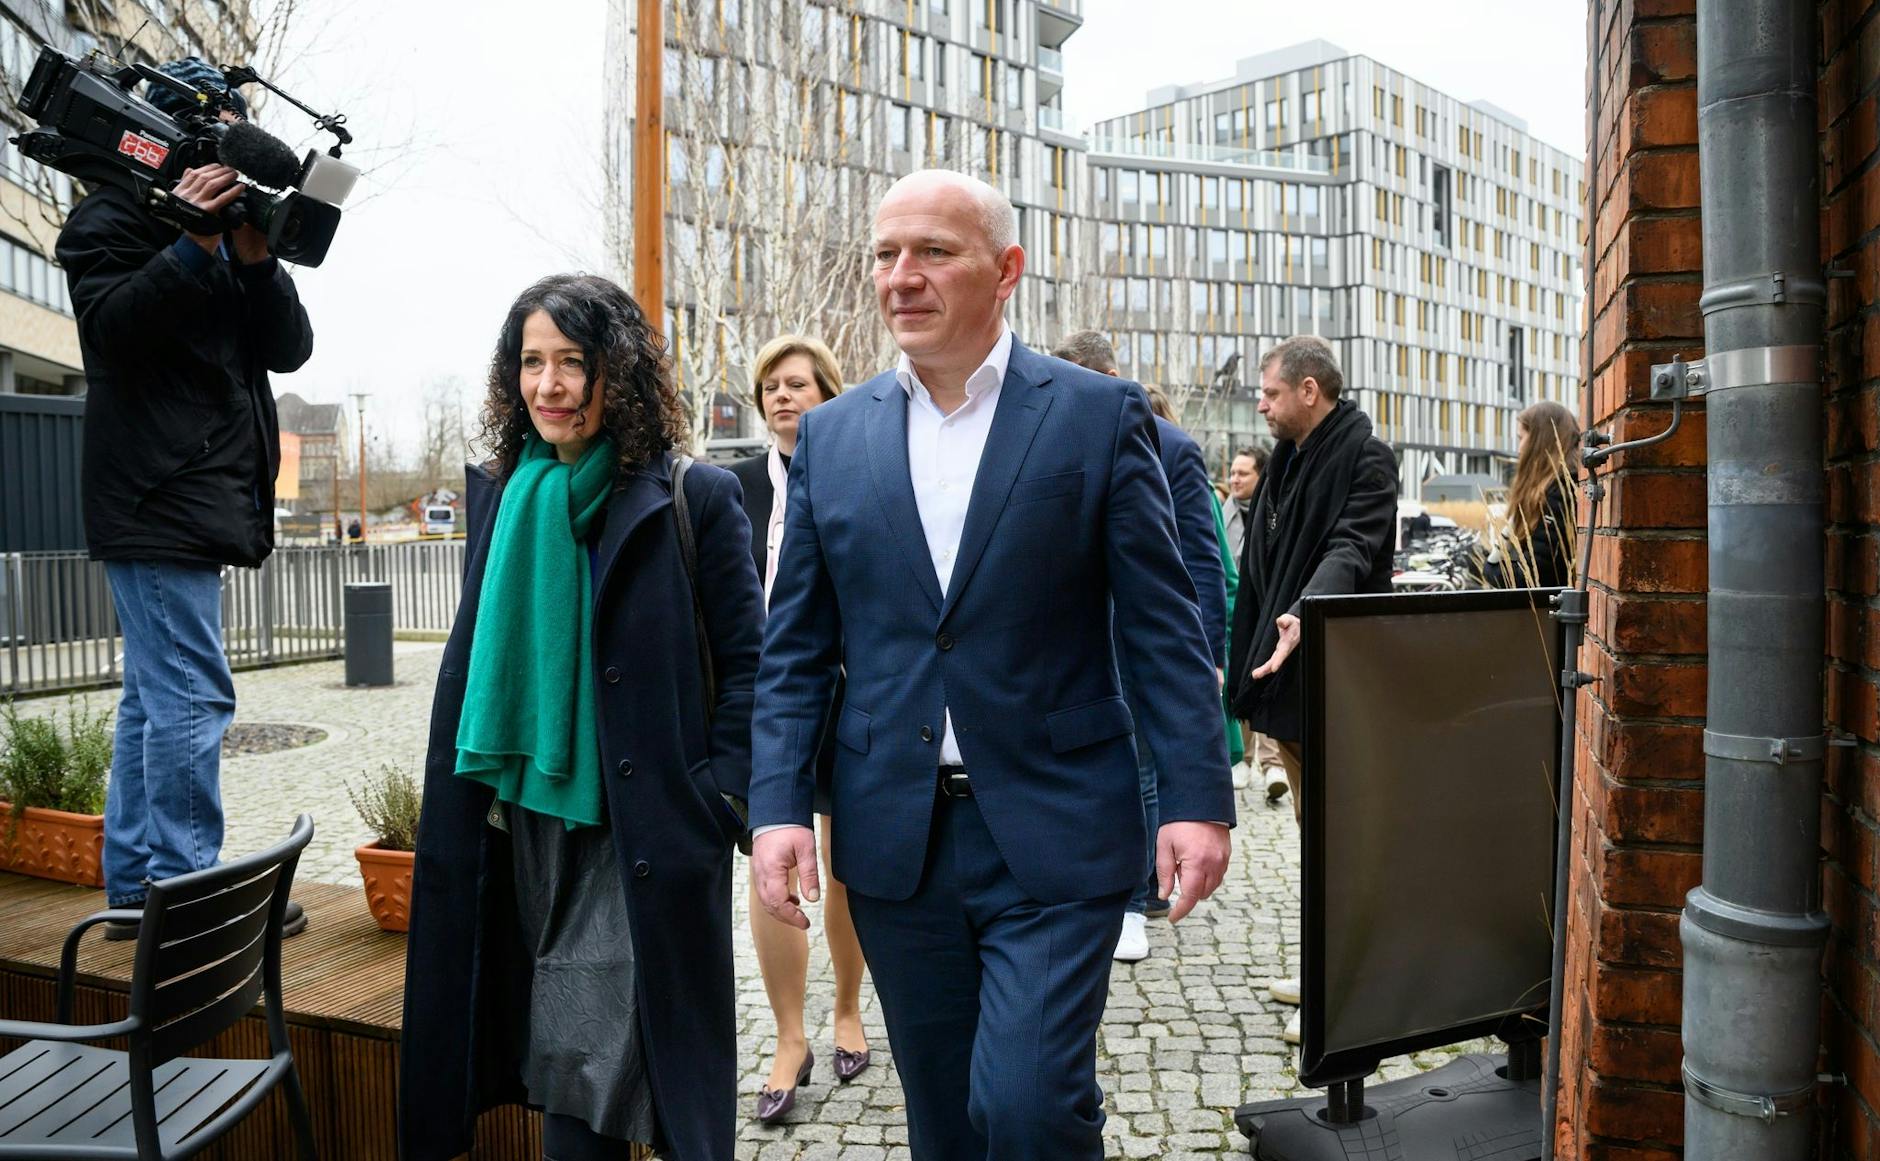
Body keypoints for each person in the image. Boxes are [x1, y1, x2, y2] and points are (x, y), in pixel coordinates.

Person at [748, 170, 1234, 1160]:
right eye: (885, 254)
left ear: (1004, 269)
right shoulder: (832, 440)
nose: (901, 277)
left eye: (932, 251)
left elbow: (1160, 626)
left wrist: (1195, 796)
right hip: (896, 841)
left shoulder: (1095, 418)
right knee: (944, 1119)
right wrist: (775, 807)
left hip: (1056, 826)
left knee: (1025, 1104)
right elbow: (795, 647)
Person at [400, 274, 765, 1161]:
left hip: (634, 832)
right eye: (532, 362)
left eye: (573, 361)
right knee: (562, 1067)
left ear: (621, 373)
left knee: (582, 1090)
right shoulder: (501, 496)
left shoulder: (696, 497)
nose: (550, 385)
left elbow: (754, 669)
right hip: (515, 824)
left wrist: (718, 800)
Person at [55, 58, 313, 939]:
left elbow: (291, 351)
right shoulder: (109, 217)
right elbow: (113, 333)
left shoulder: (230, 231)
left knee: (154, 699)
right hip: (156, 497)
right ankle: (189, 903)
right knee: (194, 697)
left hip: (189, 498)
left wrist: (252, 257)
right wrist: (190, 245)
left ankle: (138, 890)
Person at [1226, 335, 1397, 1046]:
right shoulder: (1289, 460)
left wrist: (1309, 609)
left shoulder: (1366, 456)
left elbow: (1353, 546)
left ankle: (1346, 988)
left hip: (1334, 676)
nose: (1260, 404)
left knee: (1343, 843)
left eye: (1270, 392)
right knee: (1312, 838)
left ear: (1308, 390)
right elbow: (1262, 564)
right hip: (1285, 680)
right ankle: (1323, 966)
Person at [727, 335, 874, 1122]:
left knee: (842, 852)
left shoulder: (858, 476)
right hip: (763, 699)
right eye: (772, 388)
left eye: (798, 384)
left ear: (829, 393)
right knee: (770, 852)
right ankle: (791, 1036)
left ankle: (848, 1007)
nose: (784, 397)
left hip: (851, 692)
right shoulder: (732, 487)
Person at [1047, 333, 1227, 965]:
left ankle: (1136, 899)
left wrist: (1207, 656)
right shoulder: (1042, 441)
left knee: (1144, 767)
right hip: (1068, 649)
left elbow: (1198, 564)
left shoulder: (1172, 448)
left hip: (1139, 641)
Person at [1223, 445, 1288, 801]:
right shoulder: (1223, 511)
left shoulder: (1273, 509)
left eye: (1243, 473)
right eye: (1232, 472)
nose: (1234, 479)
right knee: (1242, 681)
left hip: (1273, 612)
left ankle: (1272, 762)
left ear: (1260, 475)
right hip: (1240, 614)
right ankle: (1245, 759)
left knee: (1270, 681)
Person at [1480, 400, 1580, 589]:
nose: (1519, 449)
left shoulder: (1560, 492)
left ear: (1539, 440)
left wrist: (1492, 571)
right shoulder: (1563, 486)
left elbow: (1537, 574)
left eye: (1521, 438)